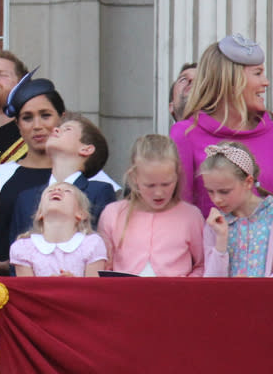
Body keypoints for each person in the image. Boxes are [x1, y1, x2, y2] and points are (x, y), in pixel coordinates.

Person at [171, 34, 273, 217]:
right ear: (231, 80)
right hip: (211, 243)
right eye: (257, 73)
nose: (265, 82)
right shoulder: (185, 134)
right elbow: (180, 215)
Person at [0, 71, 64, 274]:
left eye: (46, 115)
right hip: (5, 292)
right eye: (27, 118)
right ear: (18, 125)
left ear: (62, 118)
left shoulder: (88, 177)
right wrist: (9, 266)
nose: (37, 126)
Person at [97, 134, 204, 277]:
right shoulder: (113, 213)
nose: (158, 193)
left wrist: (186, 288)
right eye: (150, 185)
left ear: (177, 174)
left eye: (166, 184)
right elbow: (102, 266)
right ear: (134, 177)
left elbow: (203, 265)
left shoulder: (191, 215)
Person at [8, 112, 116, 244]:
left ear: (86, 149)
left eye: (67, 129)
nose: (55, 129)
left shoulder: (99, 191)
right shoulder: (25, 198)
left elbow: (101, 247)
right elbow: (16, 253)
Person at [202, 142, 273, 277]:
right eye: (210, 191)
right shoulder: (214, 225)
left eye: (224, 191)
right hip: (228, 298)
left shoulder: (270, 215)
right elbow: (210, 284)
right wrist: (221, 239)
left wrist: (258, 287)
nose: (216, 199)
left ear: (248, 182)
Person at [9, 182, 107, 277]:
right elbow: (26, 290)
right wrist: (48, 286)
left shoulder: (92, 244)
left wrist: (74, 284)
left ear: (81, 213)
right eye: (50, 190)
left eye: (67, 191)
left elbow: (94, 289)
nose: (57, 189)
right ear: (39, 213)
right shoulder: (24, 248)